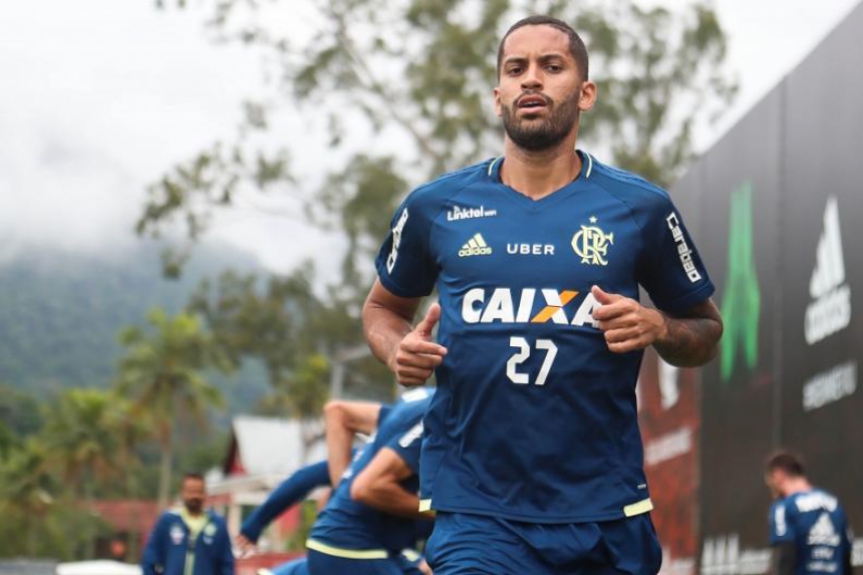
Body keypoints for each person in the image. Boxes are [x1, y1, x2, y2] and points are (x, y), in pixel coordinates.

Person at [362, 14, 723, 575]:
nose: (532, 79)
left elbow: (706, 333)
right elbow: (383, 308)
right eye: (517, 68)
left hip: (605, 508)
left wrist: (658, 327)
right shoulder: (436, 207)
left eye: (551, 67)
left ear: (585, 93)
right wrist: (396, 349)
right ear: (498, 94)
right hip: (476, 509)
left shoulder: (640, 208)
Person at [240, 394, 434, 575]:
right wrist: (254, 524)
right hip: (353, 546)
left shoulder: (404, 436)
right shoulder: (393, 451)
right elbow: (309, 477)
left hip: (348, 549)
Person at [765, 451, 854, 575]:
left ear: (779, 475)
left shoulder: (784, 508)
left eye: (771, 482)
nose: (772, 491)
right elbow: (846, 557)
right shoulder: (834, 505)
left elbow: (785, 556)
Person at [142, 472, 234, 575]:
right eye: (190, 491)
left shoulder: (217, 525)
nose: (194, 496)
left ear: (205, 493)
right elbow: (150, 559)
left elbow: (226, 565)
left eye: (199, 491)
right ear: (182, 492)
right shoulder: (167, 522)